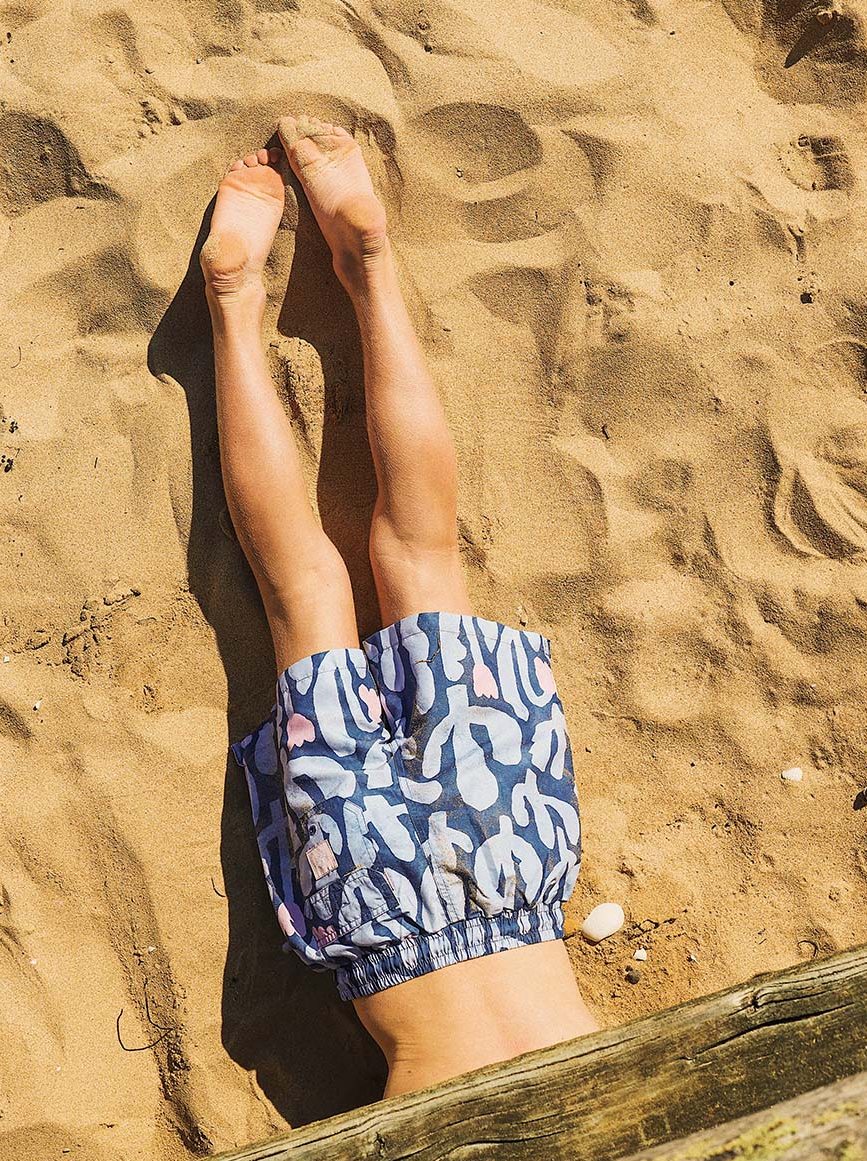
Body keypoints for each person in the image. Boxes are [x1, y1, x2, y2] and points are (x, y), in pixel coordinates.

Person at [201, 115, 600, 1099]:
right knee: (304, 584)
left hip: (513, 860)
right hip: (378, 907)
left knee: (420, 556)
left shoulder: (621, 1102)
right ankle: (230, 297)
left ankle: (367, 264)